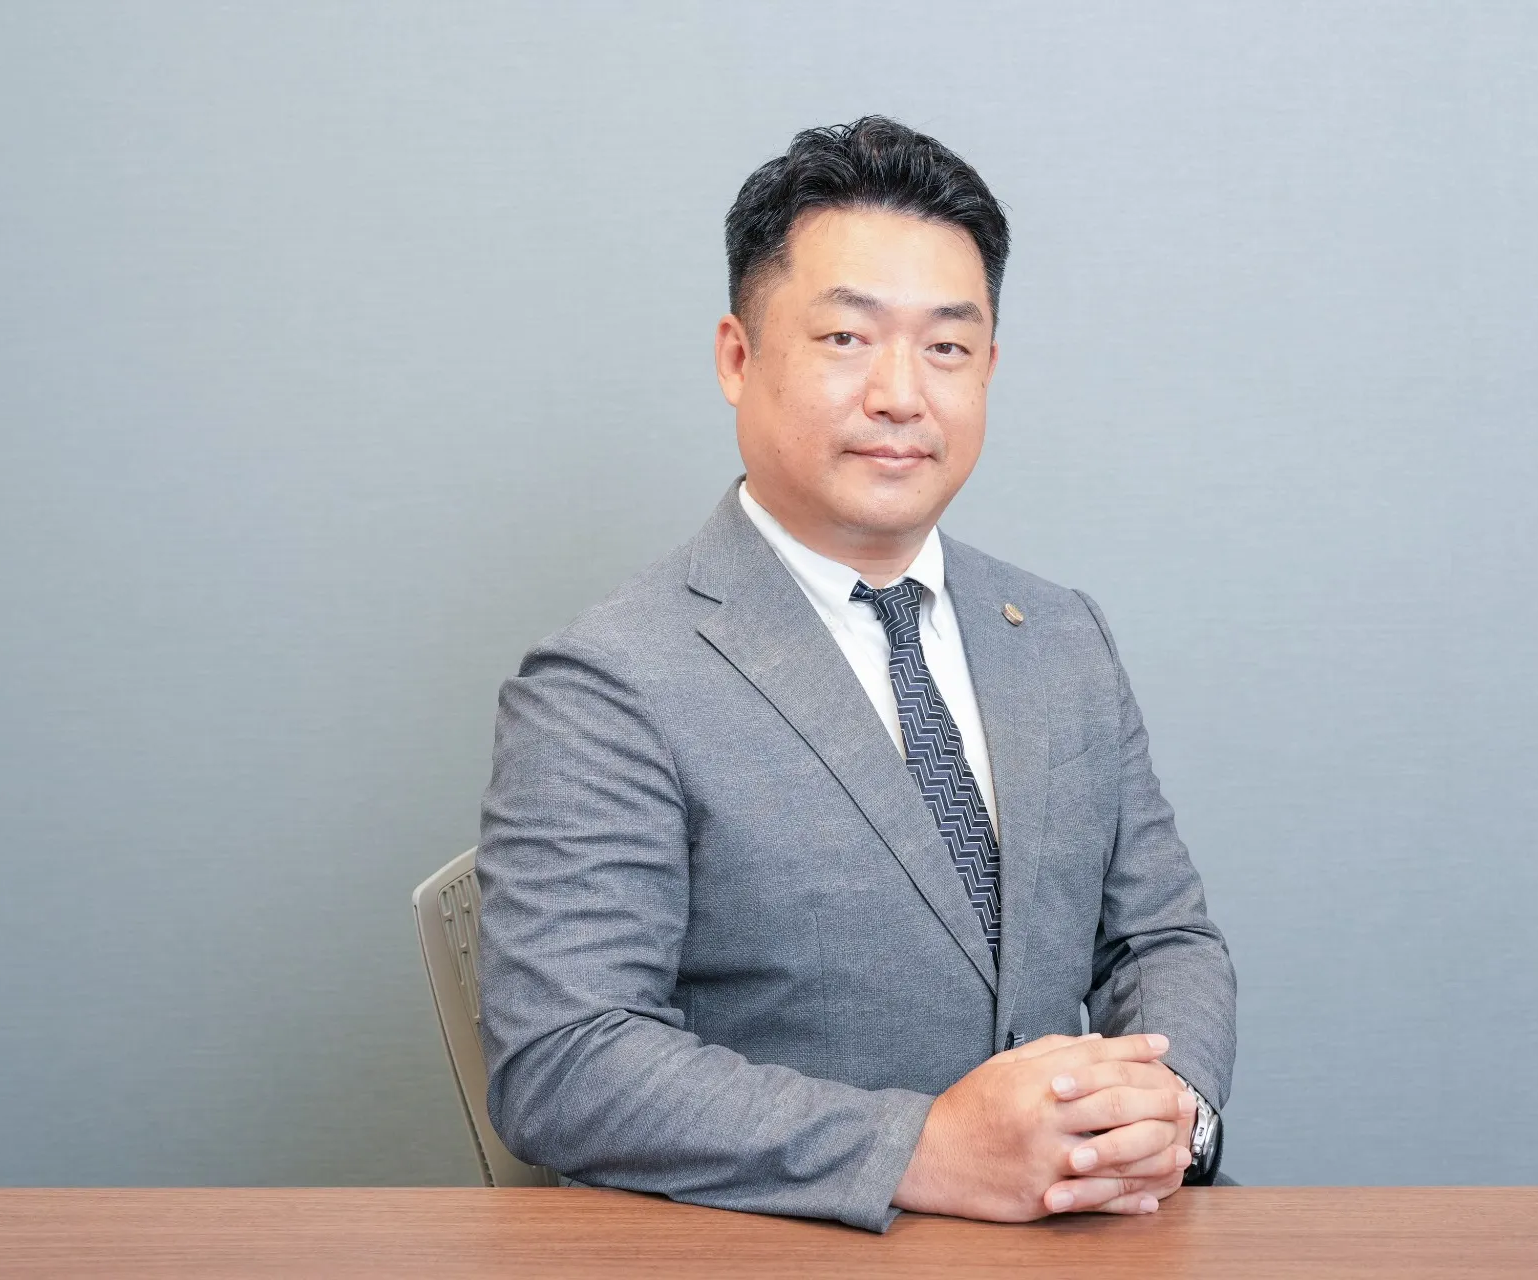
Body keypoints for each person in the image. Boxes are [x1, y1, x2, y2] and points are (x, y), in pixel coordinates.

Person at [475, 116, 1236, 1232]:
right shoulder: (610, 682)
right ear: (738, 357)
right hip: (787, 1247)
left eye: (947, 348)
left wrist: (1171, 1113)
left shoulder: (1061, 633)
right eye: (846, 337)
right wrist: (923, 1149)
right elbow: (564, 1057)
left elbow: (1162, 939)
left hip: (1085, 1235)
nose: (900, 394)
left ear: (988, 368)